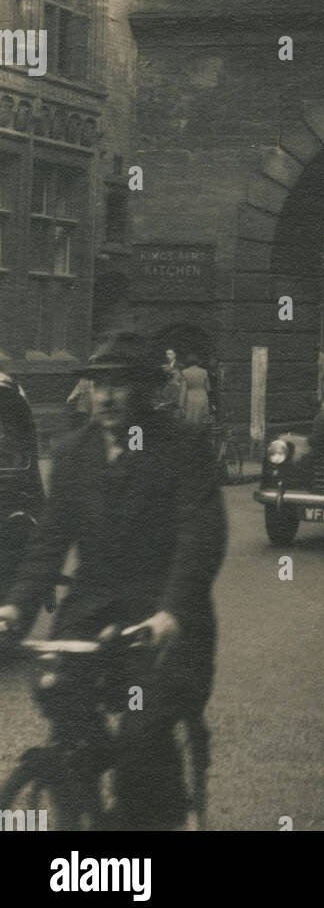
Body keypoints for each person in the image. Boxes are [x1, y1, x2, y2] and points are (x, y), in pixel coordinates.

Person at [0, 332, 227, 829]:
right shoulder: (74, 452)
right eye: (97, 384)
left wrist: (172, 611)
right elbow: (49, 543)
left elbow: (200, 536)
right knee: (55, 690)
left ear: (146, 390)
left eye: (120, 385)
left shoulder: (182, 447)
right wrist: (15, 606)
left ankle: (152, 818)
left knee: (141, 739)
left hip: (164, 624)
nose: (104, 396)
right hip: (91, 617)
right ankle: (76, 795)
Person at [181, 354, 211, 428]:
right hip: (202, 396)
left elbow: (183, 390)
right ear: (197, 362)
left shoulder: (184, 372)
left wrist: (181, 404)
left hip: (190, 397)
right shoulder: (204, 371)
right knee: (202, 421)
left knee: (191, 421)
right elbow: (208, 388)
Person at [155, 346, 186, 418]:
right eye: (167, 354)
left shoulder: (181, 366)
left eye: (170, 354)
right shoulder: (163, 366)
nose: (168, 356)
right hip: (166, 391)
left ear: (174, 354)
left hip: (177, 391)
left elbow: (183, 379)